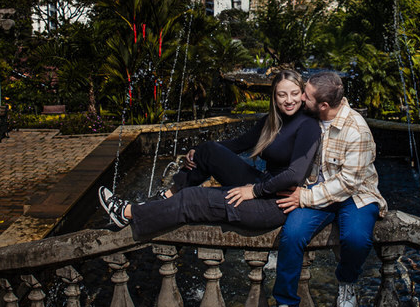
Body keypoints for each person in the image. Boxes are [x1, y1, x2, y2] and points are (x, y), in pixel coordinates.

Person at [99, 69, 321, 241]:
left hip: (276, 203)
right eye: (282, 95)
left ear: (302, 94)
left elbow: (294, 174)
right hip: (263, 185)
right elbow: (237, 144)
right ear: (274, 96)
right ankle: (164, 197)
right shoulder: (271, 122)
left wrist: (253, 191)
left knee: (193, 198)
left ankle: (127, 213)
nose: (288, 100)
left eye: (294, 94)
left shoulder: (308, 125)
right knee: (208, 150)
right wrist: (197, 152)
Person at [265, 71, 387, 307]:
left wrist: (303, 198)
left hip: (354, 195)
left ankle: (346, 280)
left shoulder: (357, 130)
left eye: (304, 95)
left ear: (322, 105)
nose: (299, 98)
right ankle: (287, 305)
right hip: (315, 192)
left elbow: (347, 184)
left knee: (356, 239)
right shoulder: (310, 118)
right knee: (292, 234)